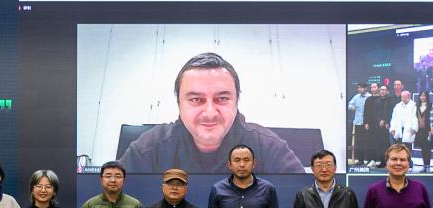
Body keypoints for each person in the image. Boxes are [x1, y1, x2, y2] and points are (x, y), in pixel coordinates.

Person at [118, 52, 302, 174]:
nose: (210, 112)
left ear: (236, 102)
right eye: (196, 99)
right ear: (179, 104)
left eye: (222, 98)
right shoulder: (148, 149)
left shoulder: (269, 148)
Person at [348, 83, 370, 165]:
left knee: (367, 142)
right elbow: (350, 105)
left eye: (361, 88)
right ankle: (360, 159)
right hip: (358, 122)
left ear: (365, 88)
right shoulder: (356, 97)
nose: (359, 89)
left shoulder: (369, 97)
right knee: (359, 142)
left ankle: (368, 159)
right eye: (358, 88)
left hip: (367, 123)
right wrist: (352, 107)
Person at [414, 91, 433, 172]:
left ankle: (428, 166)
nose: (422, 97)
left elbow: (432, 117)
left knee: (428, 148)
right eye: (421, 96)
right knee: (422, 148)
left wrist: (431, 128)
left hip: (428, 130)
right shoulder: (417, 106)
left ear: (427, 97)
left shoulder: (431, 106)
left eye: (424, 96)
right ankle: (424, 166)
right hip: (420, 130)